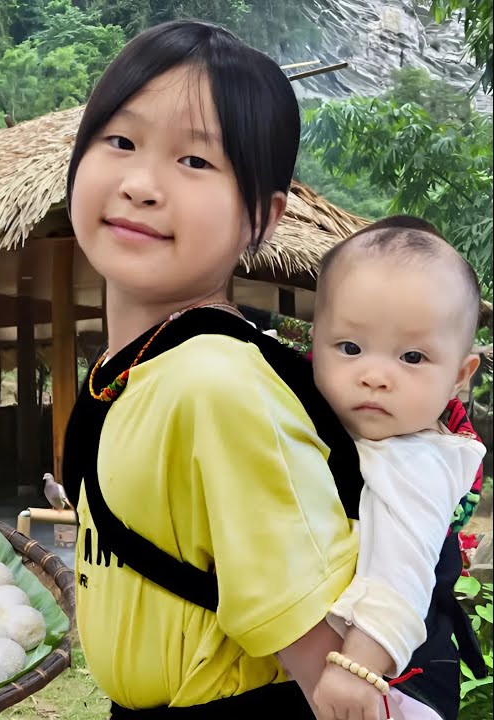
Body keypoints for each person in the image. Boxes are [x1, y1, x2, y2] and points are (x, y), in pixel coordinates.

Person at [58, 20, 361, 716]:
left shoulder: (217, 384)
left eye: (195, 161)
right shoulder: (126, 369)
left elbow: (329, 672)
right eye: (121, 142)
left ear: (263, 217)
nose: (142, 185)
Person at [307, 222, 485, 720]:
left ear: (459, 376)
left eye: (412, 357)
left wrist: (358, 666)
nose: (375, 376)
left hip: (394, 678)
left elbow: (401, 570)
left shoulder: (419, 459)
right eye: (349, 348)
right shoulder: (322, 424)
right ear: (315, 342)